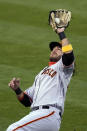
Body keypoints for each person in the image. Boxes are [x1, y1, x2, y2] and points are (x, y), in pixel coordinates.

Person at [7, 27, 74, 131]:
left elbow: (69, 55)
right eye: (53, 49)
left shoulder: (63, 68)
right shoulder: (41, 74)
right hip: (38, 115)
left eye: (59, 49)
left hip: (49, 113)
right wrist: (17, 89)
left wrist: (61, 33)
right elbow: (27, 101)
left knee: (13, 129)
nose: (54, 50)